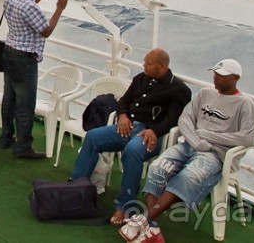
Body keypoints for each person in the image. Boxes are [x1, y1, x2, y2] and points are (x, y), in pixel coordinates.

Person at [120, 59, 254, 241]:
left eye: (221, 76)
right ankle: (152, 228)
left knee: (188, 177)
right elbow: (185, 120)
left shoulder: (245, 104)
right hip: (188, 145)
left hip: (215, 154)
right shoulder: (204, 94)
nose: (215, 78)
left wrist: (207, 137)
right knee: (157, 167)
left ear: (235, 78)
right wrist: (197, 140)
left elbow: (248, 138)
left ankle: (145, 219)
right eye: (215, 74)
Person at [70, 47, 192, 224]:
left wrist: (154, 131)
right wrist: (123, 115)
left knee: (132, 151)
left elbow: (174, 120)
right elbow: (124, 101)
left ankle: (125, 207)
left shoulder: (178, 89)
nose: (144, 65)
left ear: (162, 67)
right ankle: (77, 188)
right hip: (128, 127)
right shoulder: (140, 79)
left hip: (152, 135)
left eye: (148, 63)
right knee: (93, 137)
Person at [0, 0, 68, 159]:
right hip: (24, 59)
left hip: (9, 51)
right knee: (25, 104)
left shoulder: (11, 0)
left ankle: (6, 137)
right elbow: (46, 31)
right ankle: (23, 147)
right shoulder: (29, 8)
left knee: (9, 97)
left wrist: (34, 2)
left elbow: (21, 20)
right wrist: (59, 8)